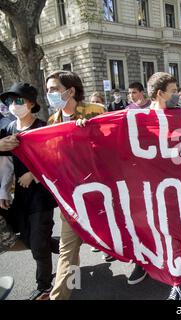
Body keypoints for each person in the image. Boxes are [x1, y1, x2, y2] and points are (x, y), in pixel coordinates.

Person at [44, 70, 105, 300]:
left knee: (119, 238)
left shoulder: (95, 111)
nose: (49, 94)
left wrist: (90, 132)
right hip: (71, 195)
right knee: (67, 248)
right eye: (48, 89)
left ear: (70, 91)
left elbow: (112, 146)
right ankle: (63, 295)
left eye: (53, 89)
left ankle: (147, 266)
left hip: (100, 193)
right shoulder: (53, 121)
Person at [0, 82, 59, 300]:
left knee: (37, 244)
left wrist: (33, 173)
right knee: (27, 237)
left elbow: (53, 160)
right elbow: (5, 164)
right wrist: (3, 193)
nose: (13, 105)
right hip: (20, 197)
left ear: (31, 104)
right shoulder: (7, 129)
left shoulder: (42, 127)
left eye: (18, 100)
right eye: (9, 101)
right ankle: (60, 245)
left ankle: (44, 286)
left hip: (41, 196)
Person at [147, 72, 181, 300]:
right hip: (154, 190)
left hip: (180, 186)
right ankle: (174, 278)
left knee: (176, 233)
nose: (178, 95)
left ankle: (178, 279)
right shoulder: (138, 119)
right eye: (173, 91)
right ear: (160, 94)